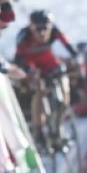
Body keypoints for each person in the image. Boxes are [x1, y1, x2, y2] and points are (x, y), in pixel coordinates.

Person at [14, 10, 78, 141]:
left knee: (63, 79)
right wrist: (29, 74)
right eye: (38, 29)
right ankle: (39, 130)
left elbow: (70, 48)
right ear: (31, 28)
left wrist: (76, 61)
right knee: (39, 90)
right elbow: (19, 60)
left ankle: (60, 121)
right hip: (31, 65)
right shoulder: (23, 36)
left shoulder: (55, 32)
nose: (42, 33)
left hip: (49, 62)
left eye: (45, 28)